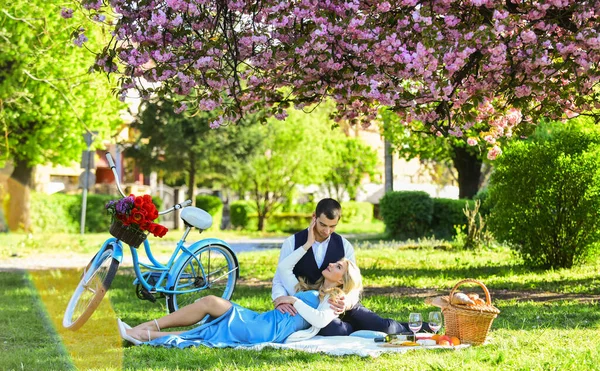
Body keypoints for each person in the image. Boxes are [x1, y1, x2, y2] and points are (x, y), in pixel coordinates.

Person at [117, 221, 363, 348]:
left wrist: (294, 300)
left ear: (341, 280)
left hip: (267, 331)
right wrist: (307, 244)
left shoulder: (334, 299)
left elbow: (320, 321)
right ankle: (144, 330)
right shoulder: (311, 290)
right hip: (262, 320)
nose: (332, 264)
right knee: (209, 308)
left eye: (338, 267)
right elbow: (284, 268)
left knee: (207, 328)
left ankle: (142, 334)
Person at [272, 198, 429, 336]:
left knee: (384, 328)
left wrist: (346, 302)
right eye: (322, 224)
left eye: (332, 226)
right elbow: (280, 278)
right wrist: (280, 300)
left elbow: (353, 282)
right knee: (334, 330)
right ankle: (354, 330)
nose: (327, 231)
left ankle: (424, 328)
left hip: (344, 305)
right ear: (314, 217)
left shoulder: (344, 245)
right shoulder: (292, 243)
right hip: (314, 309)